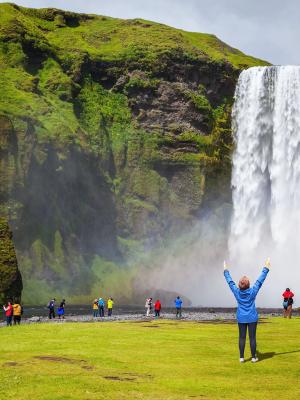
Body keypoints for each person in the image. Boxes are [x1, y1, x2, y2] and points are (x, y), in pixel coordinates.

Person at [223, 258, 270, 363]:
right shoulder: (253, 291)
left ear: (239, 285)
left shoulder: (236, 291)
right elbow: (259, 281)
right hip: (252, 317)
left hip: (241, 317)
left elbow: (230, 282)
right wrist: (266, 268)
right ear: (249, 284)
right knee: (252, 338)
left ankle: (241, 357)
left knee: (242, 337)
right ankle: (253, 358)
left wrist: (226, 270)